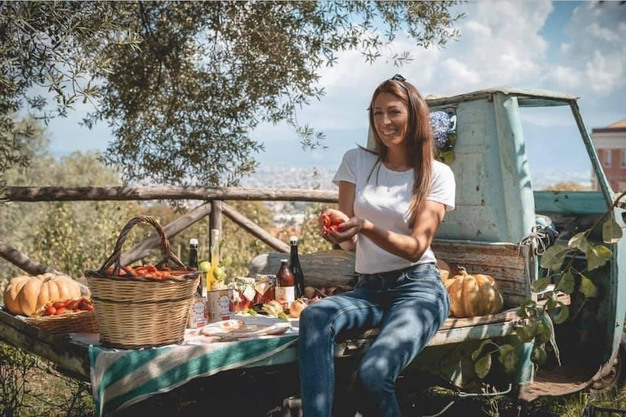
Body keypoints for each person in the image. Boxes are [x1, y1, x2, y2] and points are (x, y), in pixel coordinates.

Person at [297, 74, 456, 417]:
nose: (385, 121)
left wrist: (366, 226)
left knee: (373, 374)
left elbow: (416, 247)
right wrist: (339, 232)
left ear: (415, 115)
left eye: (394, 111)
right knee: (314, 315)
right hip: (368, 289)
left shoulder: (437, 174)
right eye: (377, 112)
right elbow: (350, 241)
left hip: (418, 289)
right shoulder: (356, 161)